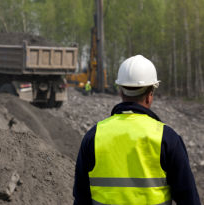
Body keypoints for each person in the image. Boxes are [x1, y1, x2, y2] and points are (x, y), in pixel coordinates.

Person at [73, 55, 201, 205]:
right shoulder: (167, 139)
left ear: (120, 92)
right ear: (150, 96)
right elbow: (189, 200)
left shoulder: (94, 136)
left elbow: (81, 198)